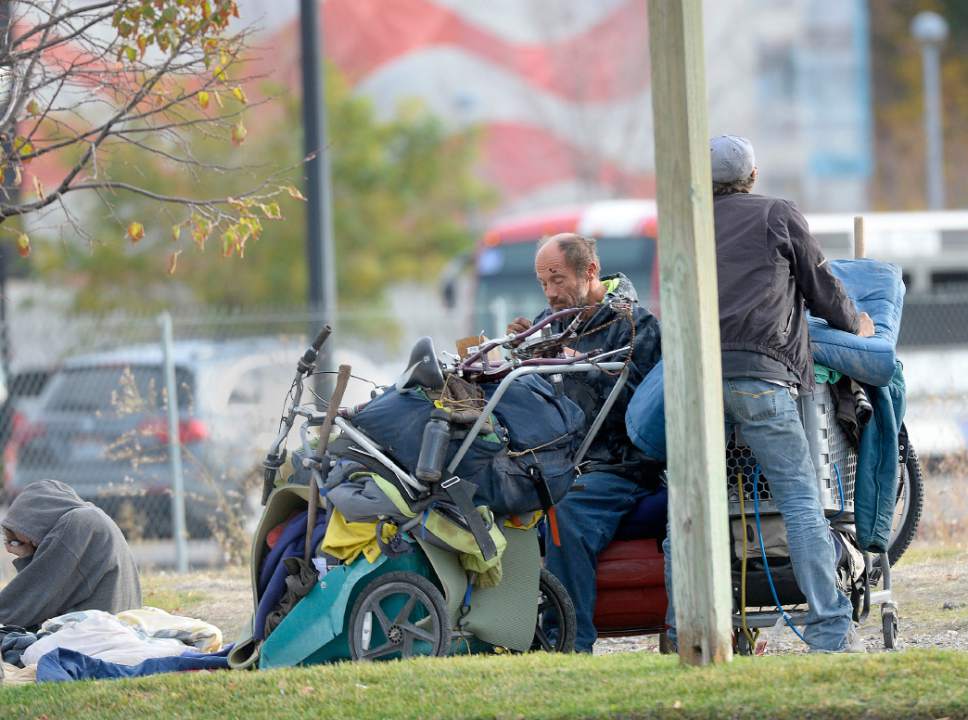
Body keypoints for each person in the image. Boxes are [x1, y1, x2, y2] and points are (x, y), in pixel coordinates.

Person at [662, 135, 875, 654]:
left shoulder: (683, 225)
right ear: (752, 177)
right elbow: (821, 288)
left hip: (694, 383)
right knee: (801, 503)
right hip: (764, 376)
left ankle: (682, 630)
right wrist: (857, 325)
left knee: (691, 506)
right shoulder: (778, 213)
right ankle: (829, 630)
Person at [506, 233, 662, 653]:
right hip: (563, 463)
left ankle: (570, 644)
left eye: (557, 280)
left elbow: (641, 413)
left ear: (590, 272)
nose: (550, 293)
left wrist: (579, 365)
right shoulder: (552, 322)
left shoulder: (636, 325)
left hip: (621, 467)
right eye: (543, 283)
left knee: (565, 516)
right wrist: (523, 352)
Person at [1, 479, 142, 630]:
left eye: (21, 538)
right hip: (113, 629)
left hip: (93, 635)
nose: (30, 542)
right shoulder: (93, 518)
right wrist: (28, 556)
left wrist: (27, 557)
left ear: (33, 517)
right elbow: (41, 593)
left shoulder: (77, 524)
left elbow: (26, 602)